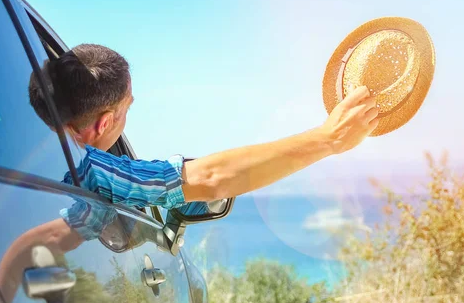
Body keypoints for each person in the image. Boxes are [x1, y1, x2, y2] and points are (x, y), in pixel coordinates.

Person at [28, 43, 378, 212]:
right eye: (126, 109)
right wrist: (328, 139)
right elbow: (210, 179)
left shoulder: (26, 160)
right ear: (105, 122)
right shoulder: (93, 169)